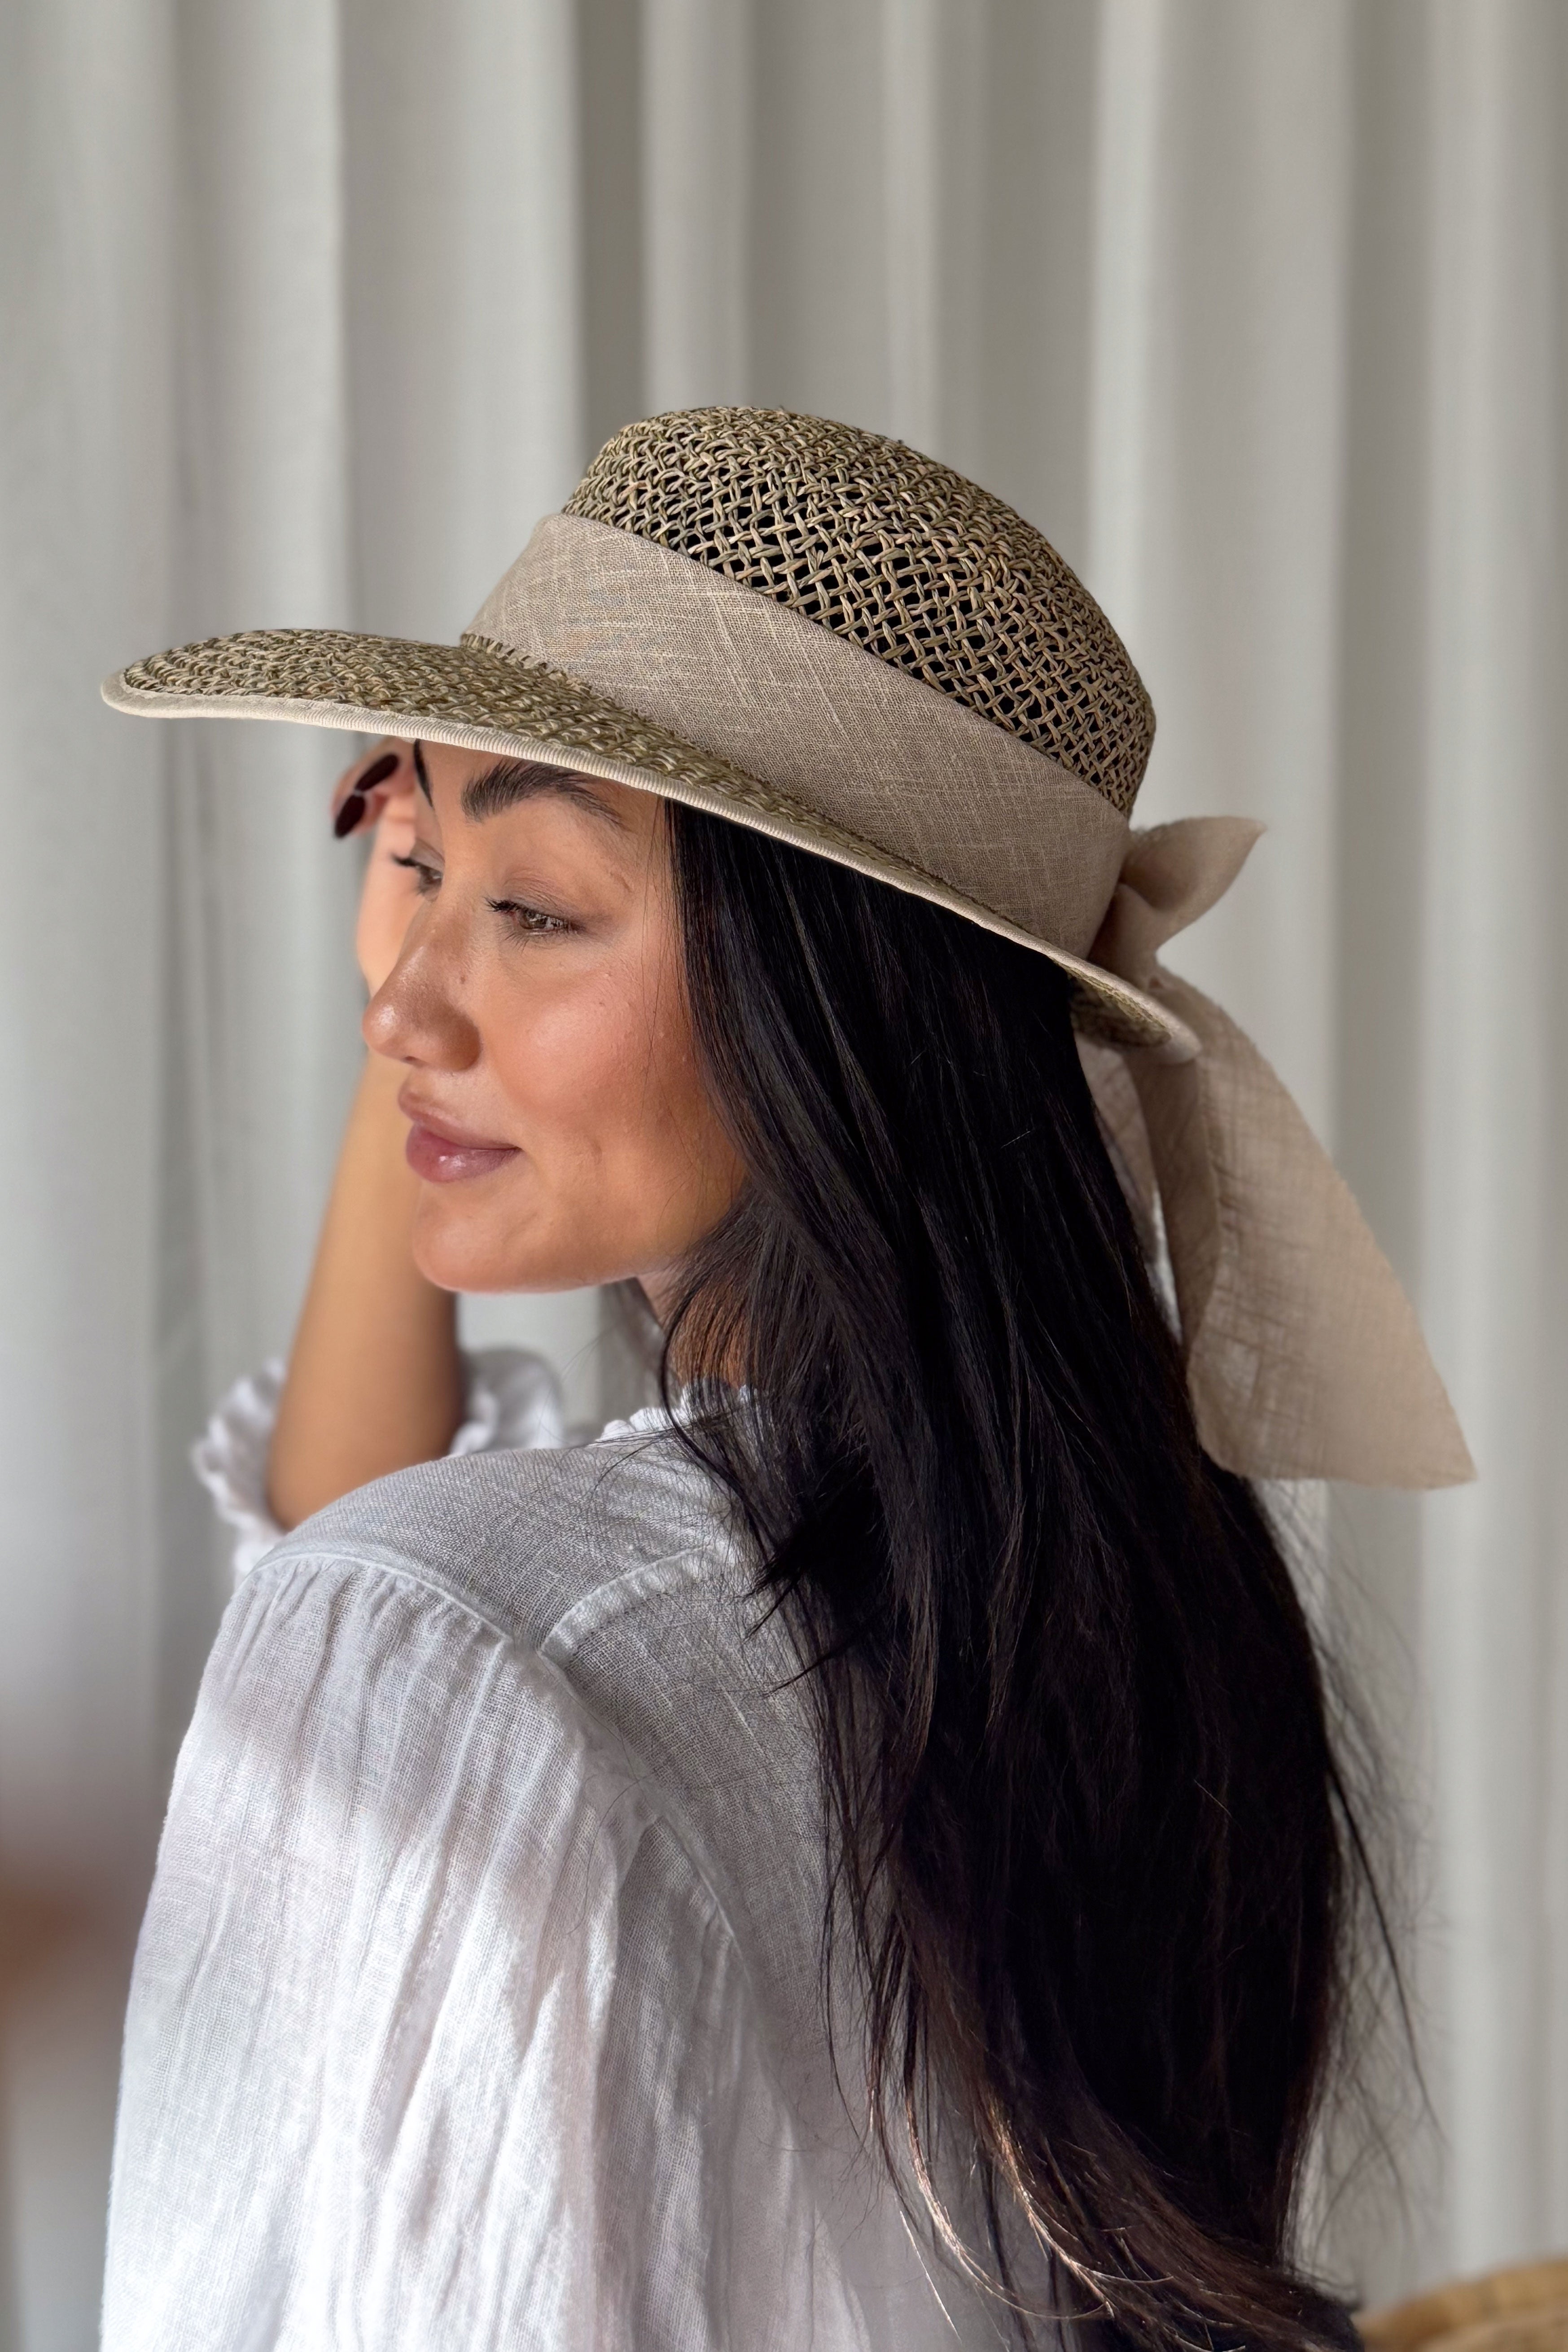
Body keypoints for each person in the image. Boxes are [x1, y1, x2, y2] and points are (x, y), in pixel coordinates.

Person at [99, 408, 1472, 2352]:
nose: (395, 1001)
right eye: (414, 861)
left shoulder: (461, 1643)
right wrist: (485, 939)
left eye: (532, 907)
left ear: (833, 1002)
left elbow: (396, 1614)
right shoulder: (1141, 1604)